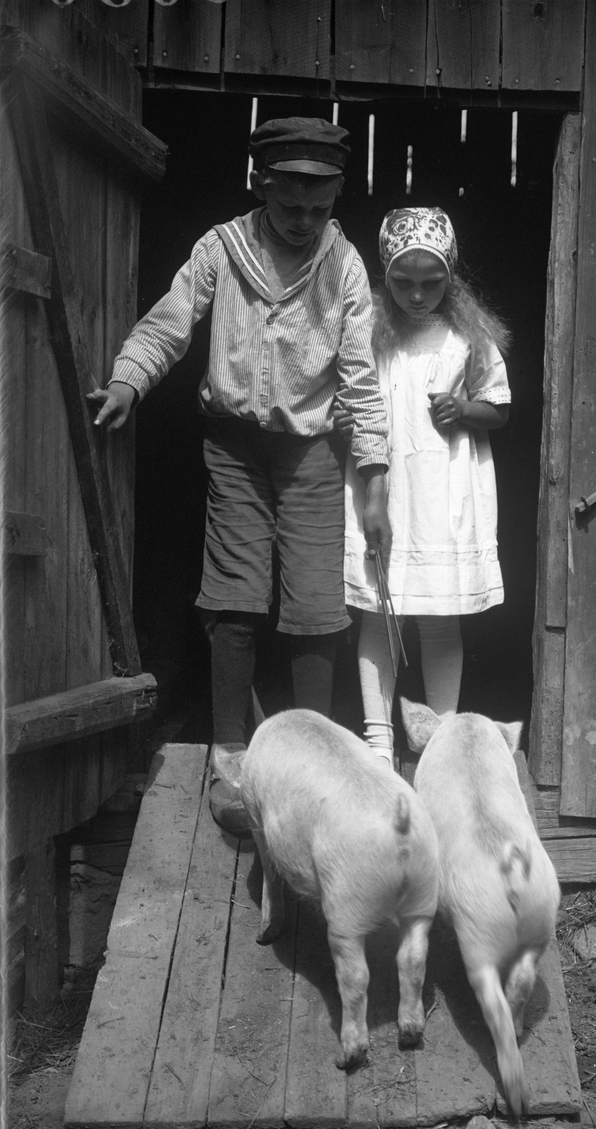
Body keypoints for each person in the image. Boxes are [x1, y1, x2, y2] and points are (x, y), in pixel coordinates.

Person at [90, 116, 391, 831]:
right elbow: (170, 324)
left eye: (320, 210)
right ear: (260, 185)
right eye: (290, 206)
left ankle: (313, 764)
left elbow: (359, 379)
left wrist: (373, 475)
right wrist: (130, 379)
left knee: (316, 605)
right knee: (234, 599)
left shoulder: (344, 268)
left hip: (314, 455)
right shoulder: (219, 251)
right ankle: (232, 762)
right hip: (233, 449)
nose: (304, 222)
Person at [342, 207, 510, 764]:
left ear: (451, 278)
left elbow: (500, 408)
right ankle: (379, 741)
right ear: (384, 275)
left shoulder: (467, 335)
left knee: (440, 616)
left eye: (432, 284)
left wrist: (465, 409)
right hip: (385, 489)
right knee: (380, 611)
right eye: (403, 282)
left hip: (443, 489)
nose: (417, 296)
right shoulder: (368, 329)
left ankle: (438, 739)